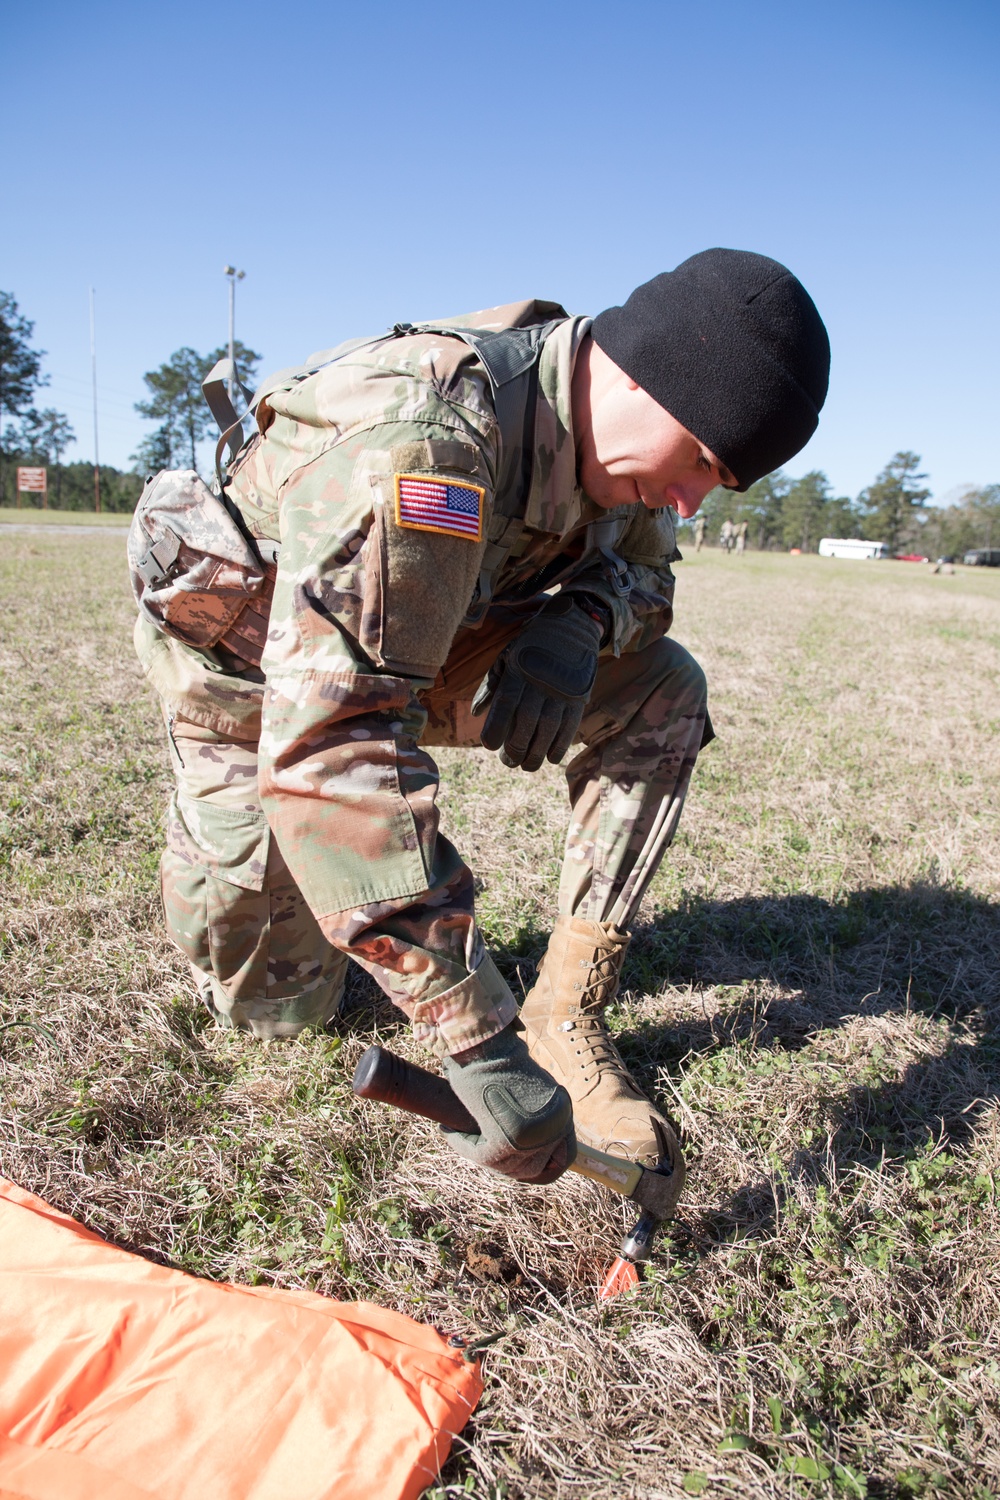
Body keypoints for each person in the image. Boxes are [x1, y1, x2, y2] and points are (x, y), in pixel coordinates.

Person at [131, 249, 829, 1189]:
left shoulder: (627, 448)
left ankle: (565, 1004)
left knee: (664, 684)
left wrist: (580, 622)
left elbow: (650, 577)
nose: (689, 501)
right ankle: (261, 880)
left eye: (718, 486)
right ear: (633, 376)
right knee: (278, 1014)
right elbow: (337, 743)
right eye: (700, 462)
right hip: (259, 690)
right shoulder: (419, 438)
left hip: (426, 650)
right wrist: (479, 1047)